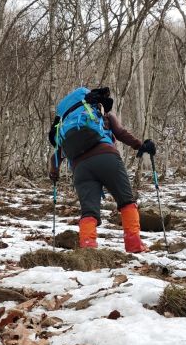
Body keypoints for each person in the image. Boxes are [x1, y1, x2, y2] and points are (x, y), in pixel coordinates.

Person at [48, 86, 156, 252]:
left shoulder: (66, 127)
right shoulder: (102, 116)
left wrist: (54, 174)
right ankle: (134, 244)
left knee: (89, 211)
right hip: (106, 158)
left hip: (80, 168)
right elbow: (121, 133)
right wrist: (141, 146)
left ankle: (88, 248)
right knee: (127, 201)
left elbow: (56, 157)